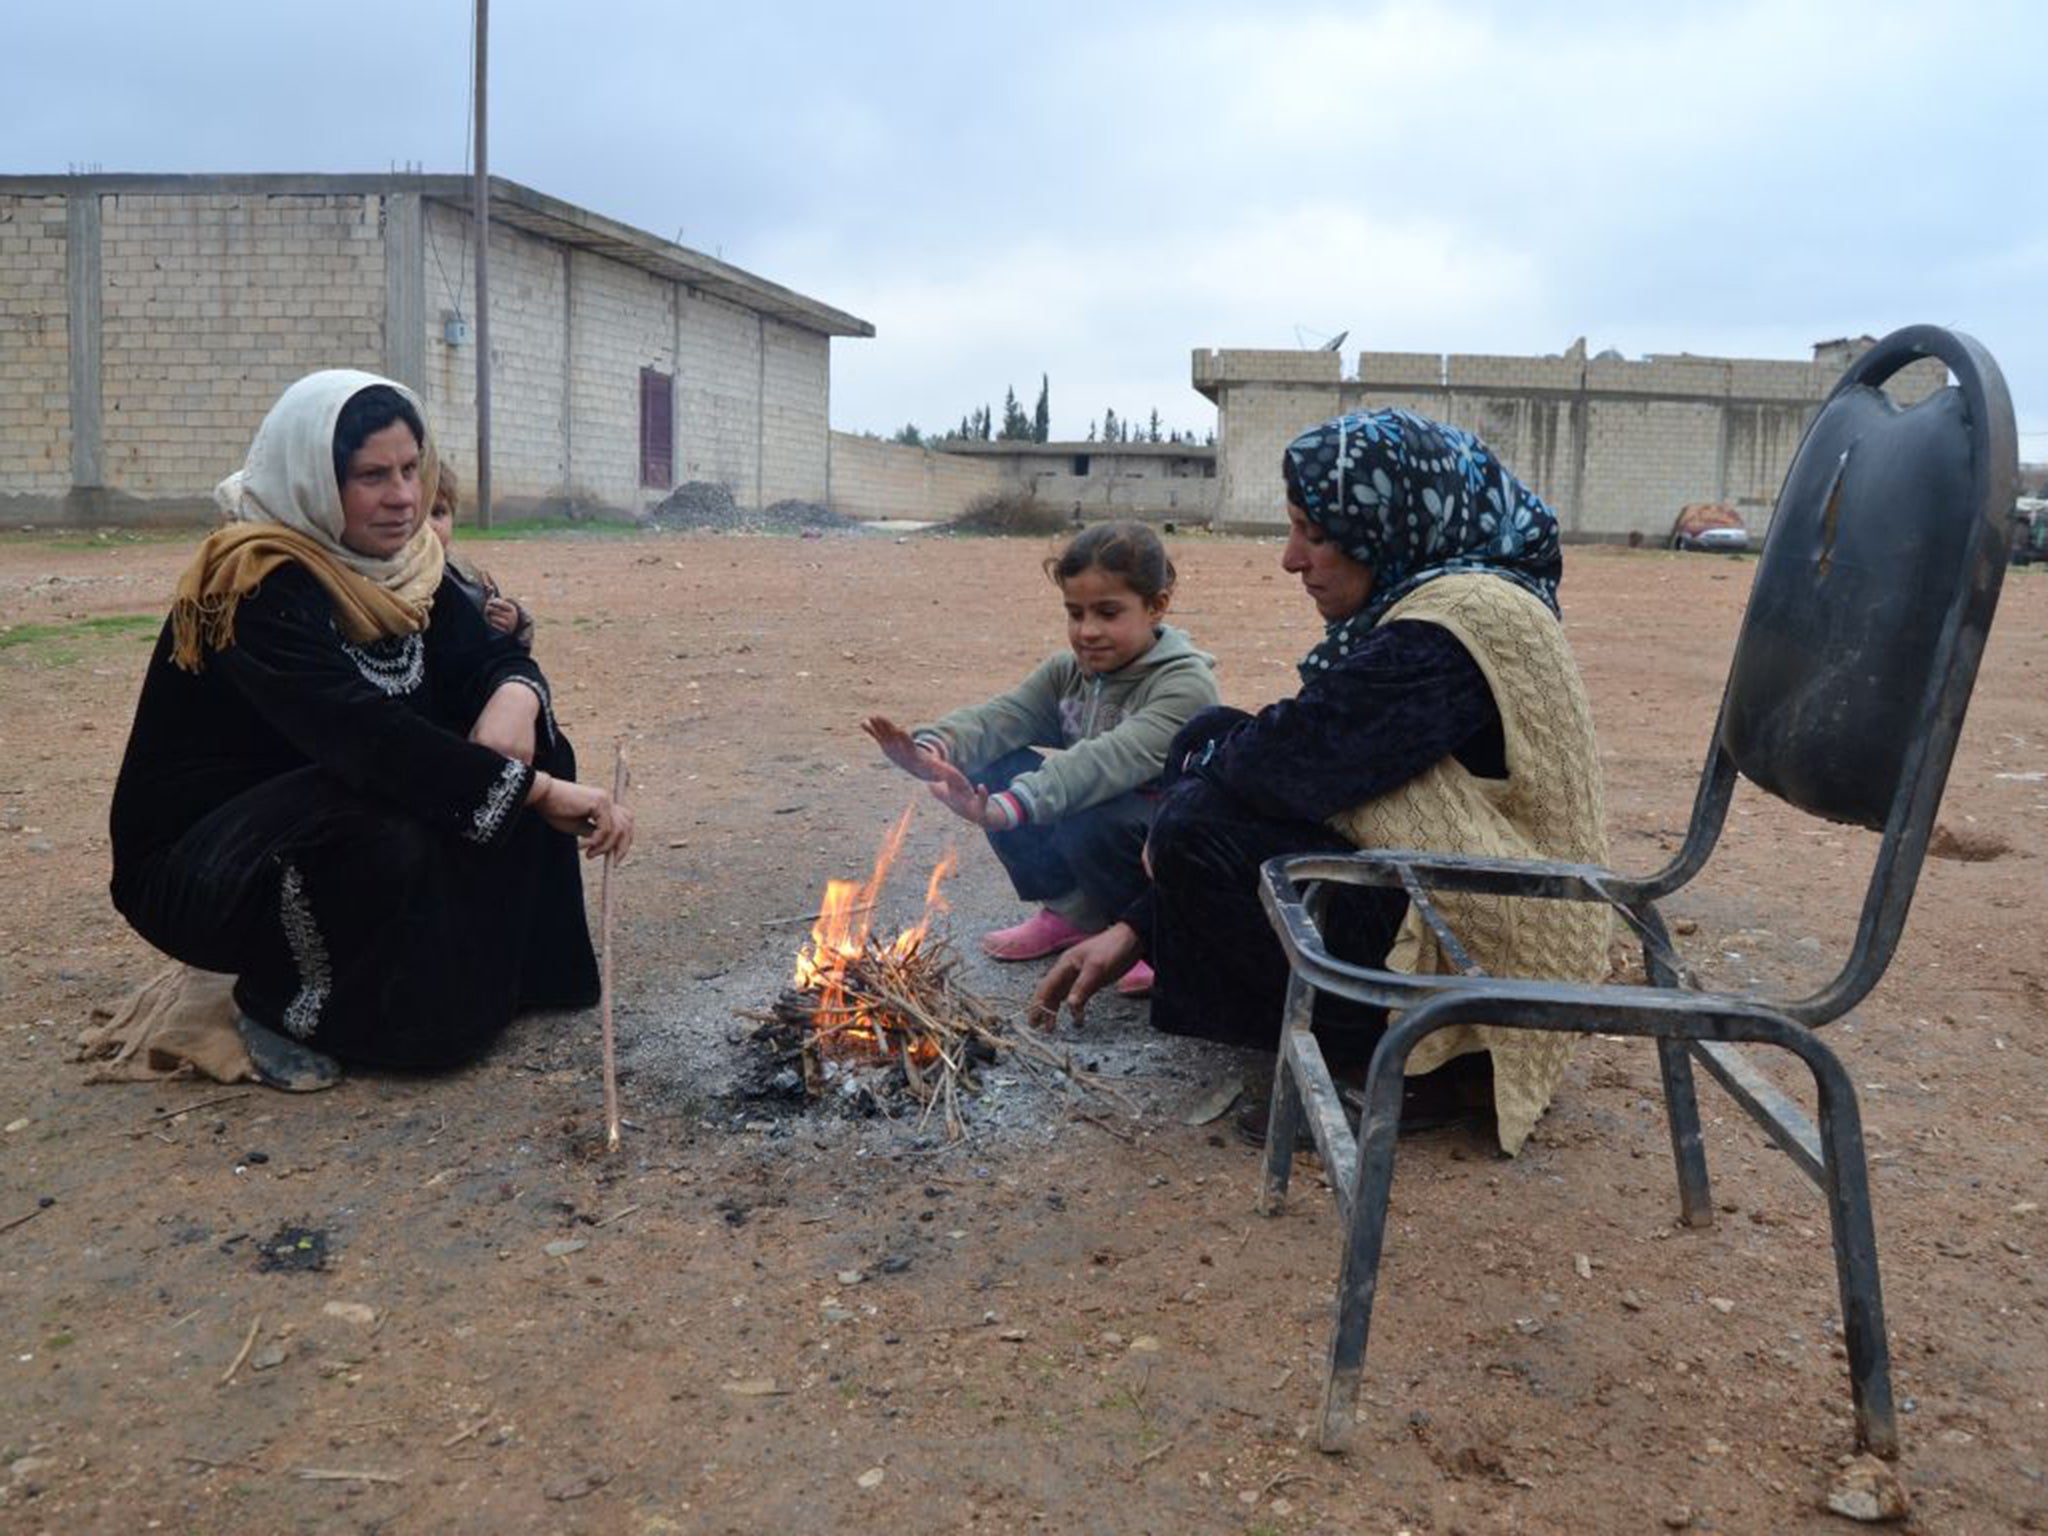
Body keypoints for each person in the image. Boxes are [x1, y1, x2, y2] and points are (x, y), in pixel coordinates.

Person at [1030, 409, 1610, 1155]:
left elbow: (1291, 762)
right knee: (1205, 751)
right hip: (1454, 896)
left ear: (1386, 522)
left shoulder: (1460, 620)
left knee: (1193, 826)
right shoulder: (1447, 598)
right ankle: (1359, 1028)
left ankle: (1418, 1062)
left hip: (1497, 933)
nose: (1291, 559)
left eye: (1315, 532)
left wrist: (1181, 816)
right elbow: (1291, 748)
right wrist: (1137, 923)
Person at [107, 369, 632, 1090]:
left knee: (524, 749)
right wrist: (538, 793)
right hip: (207, 859)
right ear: (318, 482)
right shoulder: (257, 582)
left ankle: (504, 977)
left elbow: (484, 655)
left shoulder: (408, 565)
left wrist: (515, 694)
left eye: (413, 470)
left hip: (326, 802)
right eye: (372, 476)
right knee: (400, 816)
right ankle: (279, 1002)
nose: (404, 497)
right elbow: (365, 735)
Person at [862, 520, 1218, 997]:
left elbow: (1102, 763)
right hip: (1092, 815)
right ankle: (1072, 912)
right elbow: (1002, 717)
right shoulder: (1068, 673)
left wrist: (1010, 806)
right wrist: (934, 749)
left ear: (1156, 606)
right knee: (991, 766)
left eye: (1108, 613)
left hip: (1159, 843)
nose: (1087, 631)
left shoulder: (1185, 685)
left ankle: (1143, 938)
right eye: (1075, 613)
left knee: (1089, 807)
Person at [426, 462, 534, 649]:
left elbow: (499, 655)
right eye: (416, 516)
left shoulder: (473, 582)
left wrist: (511, 625)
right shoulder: (381, 582)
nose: (429, 526)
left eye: (438, 513)